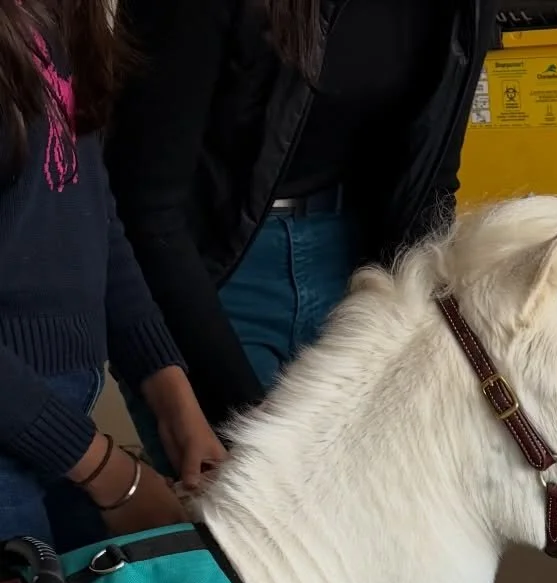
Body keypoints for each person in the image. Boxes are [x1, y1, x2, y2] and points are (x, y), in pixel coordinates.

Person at [104, 0, 497, 453]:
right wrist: (241, 416)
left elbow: (431, 181)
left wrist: (424, 348)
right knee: (247, 504)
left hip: (357, 273)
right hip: (211, 280)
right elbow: (146, 210)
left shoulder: (462, 9)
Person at [0, 0, 221, 552]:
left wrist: (170, 392)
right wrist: (113, 477)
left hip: (62, 423)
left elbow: (94, 217)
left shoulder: (57, 16)